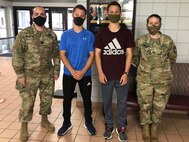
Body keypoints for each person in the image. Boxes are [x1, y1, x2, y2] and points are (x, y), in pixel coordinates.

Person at [12, 6, 60, 141]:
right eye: (36, 14)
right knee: (27, 103)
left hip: (47, 74)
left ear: (46, 16)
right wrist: (20, 74)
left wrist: (56, 70)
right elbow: (17, 54)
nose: (39, 16)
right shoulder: (24, 34)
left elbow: (56, 54)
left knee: (46, 100)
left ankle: (44, 120)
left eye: (42, 14)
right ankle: (24, 126)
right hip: (29, 76)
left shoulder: (51, 34)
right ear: (32, 16)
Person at [132, 14, 177, 142]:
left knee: (159, 106)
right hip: (144, 79)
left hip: (163, 80)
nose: (153, 25)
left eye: (156, 23)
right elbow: (135, 58)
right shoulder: (140, 41)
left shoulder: (168, 41)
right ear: (147, 24)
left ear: (160, 24)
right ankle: (146, 128)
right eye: (151, 23)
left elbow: (173, 58)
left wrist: (161, 69)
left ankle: (155, 128)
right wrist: (145, 69)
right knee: (144, 105)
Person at [94, 1, 134, 141]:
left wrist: (126, 73)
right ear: (107, 13)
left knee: (122, 103)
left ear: (120, 14)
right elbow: (97, 54)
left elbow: (129, 54)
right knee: (107, 102)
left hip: (121, 75)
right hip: (106, 75)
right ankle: (109, 125)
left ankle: (121, 127)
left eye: (117, 12)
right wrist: (100, 72)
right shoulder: (102, 33)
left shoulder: (126, 33)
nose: (114, 14)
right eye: (111, 11)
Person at [57, 4, 96, 136]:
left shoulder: (89, 35)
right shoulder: (66, 35)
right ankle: (66, 123)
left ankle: (88, 122)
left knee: (86, 99)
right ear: (73, 15)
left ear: (85, 17)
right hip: (69, 73)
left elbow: (92, 55)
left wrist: (83, 71)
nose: (79, 17)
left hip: (85, 74)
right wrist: (72, 71)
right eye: (76, 14)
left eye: (81, 15)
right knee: (67, 99)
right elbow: (62, 54)